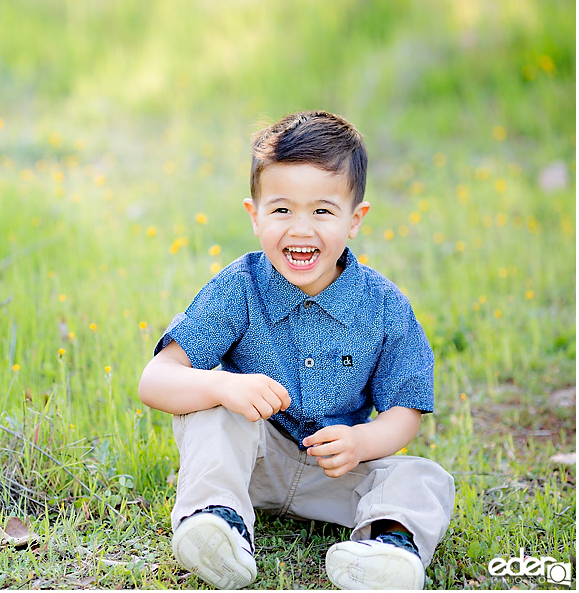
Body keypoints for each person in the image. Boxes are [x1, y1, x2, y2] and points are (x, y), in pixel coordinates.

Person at [138, 110, 455, 590]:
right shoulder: (239, 287)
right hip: (253, 464)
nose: (301, 229)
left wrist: (362, 443)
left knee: (427, 478)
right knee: (214, 412)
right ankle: (215, 522)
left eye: (323, 211)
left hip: (337, 470)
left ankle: (385, 551)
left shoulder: (384, 306)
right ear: (254, 215)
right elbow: (155, 380)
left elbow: (404, 412)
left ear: (355, 219)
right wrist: (222, 384)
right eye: (282, 210)